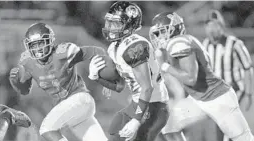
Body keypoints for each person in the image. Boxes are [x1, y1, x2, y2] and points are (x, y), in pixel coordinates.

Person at [149, 11, 254, 141]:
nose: (159, 36)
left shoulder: (179, 43)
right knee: (167, 125)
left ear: (174, 28)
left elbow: (191, 79)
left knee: (244, 139)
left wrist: (164, 66)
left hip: (218, 99)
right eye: (158, 33)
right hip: (199, 100)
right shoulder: (179, 44)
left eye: (163, 31)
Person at [9, 22, 107, 141]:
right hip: (75, 112)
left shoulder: (62, 53)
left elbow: (95, 51)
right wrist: (16, 82)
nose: (38, 48)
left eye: (41, 43)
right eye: (33, 45)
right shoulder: (28, 62)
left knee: (47, 128)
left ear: (50, 41)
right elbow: (25, 91)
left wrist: (105, 77)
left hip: (79, 99)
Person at [88, 1, 169, 141]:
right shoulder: (113, 48)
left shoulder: (134, 46)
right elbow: (119, 86)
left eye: (115, 24)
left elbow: (147, 88)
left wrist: (136, 120)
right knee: (115, 131)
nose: (109, 27)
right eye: (109, 22)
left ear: (129, 25)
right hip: (138, 102)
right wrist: (96, 77)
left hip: (155, 104)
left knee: (137, 136)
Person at [203, 9, 254, 141]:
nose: (212, 29)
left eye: (215, 25)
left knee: (226, 121)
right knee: (222, 125)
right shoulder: (205, 45)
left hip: (235, 89)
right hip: (216, 93)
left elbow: (248, 68)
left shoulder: (235, 44)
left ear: (221, 26)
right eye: (209, 25)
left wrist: (249, 93)